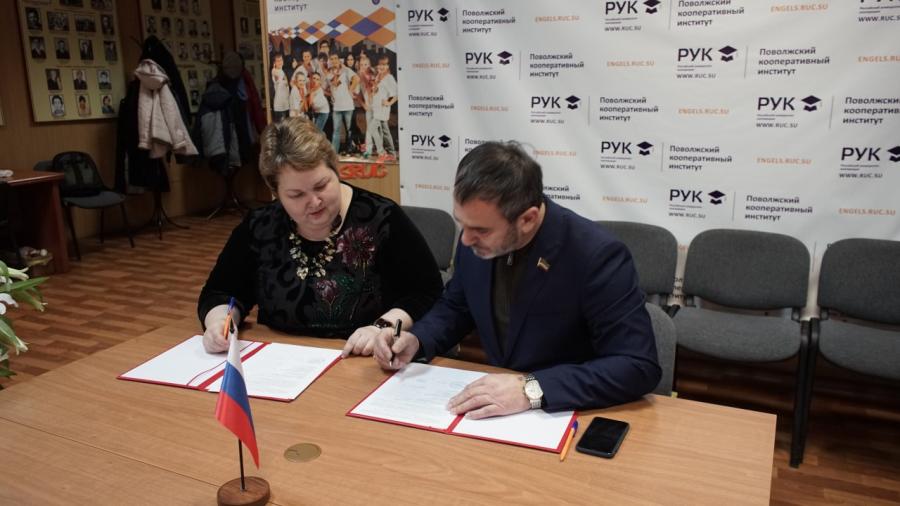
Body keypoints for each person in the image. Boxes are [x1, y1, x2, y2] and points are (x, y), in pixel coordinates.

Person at [371, 142, 661, 418]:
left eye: (481, 230)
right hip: (497, 409)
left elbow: (636, 365)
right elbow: (457, 306)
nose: (466, 239)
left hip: (564, 412)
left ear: (528, 219)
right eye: (461, 224)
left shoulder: (595, 255)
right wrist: (417, 340)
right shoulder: (475, 235)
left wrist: (531, 389)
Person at [197, 117, 442, 353]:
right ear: (276, 192)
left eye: (321, 185)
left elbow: (426, 292)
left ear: (336, 170)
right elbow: (221, 292)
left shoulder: (382, 218)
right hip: (279, 357)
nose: (314, 202)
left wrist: (382, 327)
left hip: (361, 360)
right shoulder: (260, 225)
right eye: (296, 195)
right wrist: (219, 323)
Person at [364, 56, 397, 159]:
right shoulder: (378, 76)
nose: (381, 67)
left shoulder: (389, 78)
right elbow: (376, 91)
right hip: (376, 108)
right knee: (385, 131)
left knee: (371, 128)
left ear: (388, 66)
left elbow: (397, 94)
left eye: (384, 65)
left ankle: (382, 152)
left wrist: (389, 103)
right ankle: (391, 153)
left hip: (382, 109)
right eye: (380, 64)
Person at [326, 53, 358, 154]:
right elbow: (325, 88)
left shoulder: (346, 70)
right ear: (330, 61)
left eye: (336, 58)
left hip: (348, 105)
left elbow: (356, 79)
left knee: (349, 129)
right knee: (336, 130)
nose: (334, 60)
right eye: (332, 59)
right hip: (336, 107)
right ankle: (334, 152)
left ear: (339, 60)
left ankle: (350, 150)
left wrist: (350, 90)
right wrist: (331, 95)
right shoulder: (328, 74)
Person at [271, 54, 290, 121]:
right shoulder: (274, 71)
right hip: (279, 106)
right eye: (278, 61)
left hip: (286, 104)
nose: (280, 62)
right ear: (274, 63)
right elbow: (276, 75)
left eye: (281, 60)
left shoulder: (282, 71)